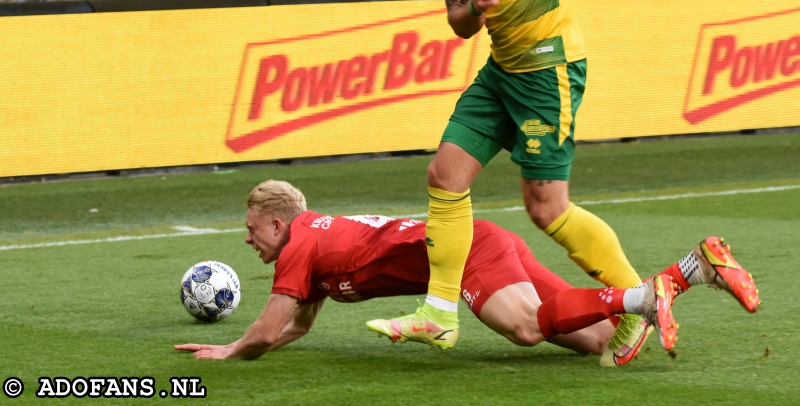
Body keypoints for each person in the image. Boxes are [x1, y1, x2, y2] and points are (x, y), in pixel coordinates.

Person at [370, 0, 658, 367]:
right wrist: (473, 6)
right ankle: (439, 312)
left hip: (548, 72)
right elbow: (458, 23)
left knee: (547, 208)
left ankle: (640, 304)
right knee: (444, 175)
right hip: (500, 71)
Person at [174, 180, 759, 361]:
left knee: (528, 328)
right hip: (485, 242)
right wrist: (252, 340)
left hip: (472, 252)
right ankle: (689, 271)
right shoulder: (313, 246)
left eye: (252, 229)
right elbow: (296, 325)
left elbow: (271, 328)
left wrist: (231, 351)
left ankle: (652, 292)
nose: (247, 239)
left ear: (279, 224)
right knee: (594, 342)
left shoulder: (301, 242)